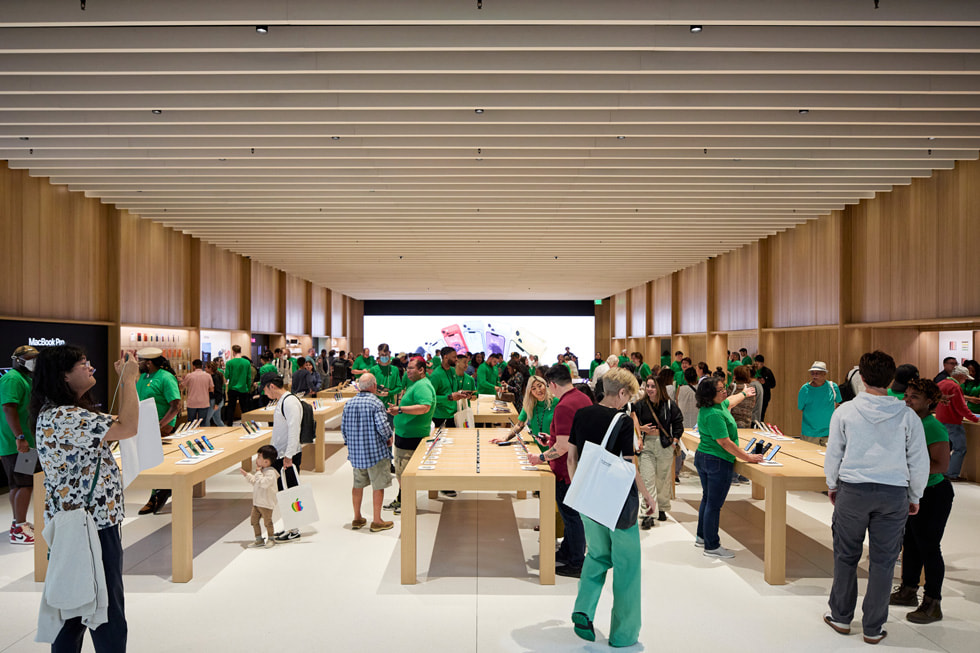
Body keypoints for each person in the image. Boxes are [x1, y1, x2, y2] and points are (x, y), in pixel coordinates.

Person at [31, 345, 139, 651]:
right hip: (90, 526)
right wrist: (129, 380)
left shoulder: (61, 413)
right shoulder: (65, 415)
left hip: (81, 524)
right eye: (82, 363)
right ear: (62, 376)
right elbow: (128, 427)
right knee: (104, 610)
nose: (90, 367)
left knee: (76, 608)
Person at [823, 351, 929, 645]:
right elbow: (918, 460)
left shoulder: (844, 411)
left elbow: (835, 453)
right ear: (891, 379)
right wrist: (915, 494)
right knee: (883, 561)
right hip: (893, 493)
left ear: (863, 378)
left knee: (846, 555)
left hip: (853, 490)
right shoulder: (907, 415)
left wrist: (832, 484)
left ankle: (841, 617)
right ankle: (873, 627)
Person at [566, 368, 651, 647]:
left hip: (588, 499)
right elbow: (628, 466)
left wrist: (581, 490)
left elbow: (571, 459)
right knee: (627, 567)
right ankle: (623, 634)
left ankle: (583, 609)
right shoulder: (623, 421)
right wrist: (647, 494)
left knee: (597, 556)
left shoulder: (582, 414)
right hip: (618, 505)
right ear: (623, 393)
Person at [890, 378, 953, 624]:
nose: (907, 400)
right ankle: (908, 590)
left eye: (914, 397)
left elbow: (941, 464)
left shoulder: (932, 426)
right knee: (911, 543)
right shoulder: (912, 421)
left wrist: (907, 468)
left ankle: (932, 602)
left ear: (929, 401)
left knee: (929, 546)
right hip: (914, 492)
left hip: (934, 493)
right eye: (906, 395)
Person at [527, 364, 592, 578]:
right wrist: (551, 439)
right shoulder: (582, 398)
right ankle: (567, 552)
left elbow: (563, 447)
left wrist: (541, 457)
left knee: (571, 518)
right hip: (580, 465)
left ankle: (576, 562)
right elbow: (569, 438)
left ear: (553, 384)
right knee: (572, 517)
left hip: (566, 471)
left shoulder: (564, 406)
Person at [694, 376, 762, 558]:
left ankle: (702, 536)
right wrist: (748, 457)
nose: (725, 391)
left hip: (705, 458)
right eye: (721, 389)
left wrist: (744, 394)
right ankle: (712, 546)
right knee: (714, 505)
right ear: (710, 394)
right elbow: (725, 443)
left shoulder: (714, 406)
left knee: (707, 500)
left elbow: (730, 400)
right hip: (716, 461)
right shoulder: (715, 414)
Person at [341, 373, 394, 532]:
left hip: (357, 453)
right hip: (375, 452)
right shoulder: (376, 403)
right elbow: (382, 426)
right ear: (373, 386)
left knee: (357, 485)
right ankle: (377, 520)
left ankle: (357, 518)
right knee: (378, 486)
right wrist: (389, 437)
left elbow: (344, 429)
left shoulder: (349, 403)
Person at [632, 375, 684, 527]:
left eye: (653, 386)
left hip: (664, 445)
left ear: (659, 388)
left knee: (662, 479)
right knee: (647, 479)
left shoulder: (669, 405)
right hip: (646, 445)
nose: (649, 389)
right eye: (647, 386)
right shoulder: (640, 405)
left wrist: (674, 442)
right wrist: (641, 429)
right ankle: (647, 513)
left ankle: (662, 507)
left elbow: (678, 423)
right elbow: (632, 422)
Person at [386, 358, 436, 515]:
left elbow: (424, 407)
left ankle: (407, 503)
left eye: (411, 368)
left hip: (412, 436)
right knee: (402, 471)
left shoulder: (423, 386)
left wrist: (400, 410)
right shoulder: (415, 384)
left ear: (421, 370)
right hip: (405, 434)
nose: (407, 371)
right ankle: (402, 499)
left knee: (405, 473)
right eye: (407, 368)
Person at [136, 348, 182, 516]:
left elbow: (176, 406)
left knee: (158, 461)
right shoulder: (142, 377)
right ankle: (160, 491)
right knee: (150, 461)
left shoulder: (165, 377)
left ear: (148, 362)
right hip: (145, 426)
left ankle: (157, 494)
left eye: (140, 361)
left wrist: (161, 424)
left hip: (161, 427)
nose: (138, 364)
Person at [259, 372, 304, 542]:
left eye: (264, 389)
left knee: (290, 492)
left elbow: (294, 430)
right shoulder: (283, 401)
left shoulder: (290, 402)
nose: (264, 393)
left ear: (271, 386)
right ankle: (290, 526)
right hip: (283, 454)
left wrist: (289, 455)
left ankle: (294, 529)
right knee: (285, 492)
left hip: (288, 455)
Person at [1, 345, 39, 545]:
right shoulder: (12, 379)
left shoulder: (26, 378)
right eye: (29, 357)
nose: (33, 360)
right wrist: (20, 436)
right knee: (25, 484)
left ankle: (18, 523)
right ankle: (19, 527)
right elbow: (8, 408)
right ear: (17, 359)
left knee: (18, 484)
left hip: (21, 442)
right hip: (17, 443)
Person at [935, 365, 979, 481]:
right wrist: (975, 419)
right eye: (965, 378)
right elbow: (961, 407)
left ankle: (942, 471)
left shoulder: (941, 384)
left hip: (940, 420)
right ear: (960, 376)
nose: (965, 381)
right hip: (953, 422)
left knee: (946, 447)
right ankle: (952, 474)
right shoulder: (955, 387)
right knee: (960, 448)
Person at [491, 375, 555, 453]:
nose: (538, 390)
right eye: (533, 388)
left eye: (540, 386)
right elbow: (519, 425)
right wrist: (505, 438)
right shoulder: (529, 404)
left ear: (545, 385)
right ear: (530, 391)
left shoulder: (556, 402)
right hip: (537, 449)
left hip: (554, 448)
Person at [240, 444, 280, 548]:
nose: (257, 459)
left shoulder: (271, 473)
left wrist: (258, 473)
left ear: (266, 461)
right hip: (257, 503)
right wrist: (247, 475)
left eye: (259, 457)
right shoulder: (262, 471)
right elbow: (256, 482)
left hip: (266, 503)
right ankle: (258, 539)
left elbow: (263, 483)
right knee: (254, 521)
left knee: (268, 522)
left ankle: (271, 538)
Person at [797, 361, 841, 446]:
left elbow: (837, 403)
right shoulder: (805, 389)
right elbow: (801, 407)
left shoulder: (833, 387)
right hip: (810, 433)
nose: (814, 376)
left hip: (829, 432)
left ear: (824, 374)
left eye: (817, 373)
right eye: (812, 373)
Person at [368, 343, 405, 423]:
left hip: (390, 405)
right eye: (382, 354)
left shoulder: (394, 369)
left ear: (389, 354)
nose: (384, 356)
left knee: (389, 430)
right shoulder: (374, 369)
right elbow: (369, 387)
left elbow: (399, 387)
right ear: (378, 354)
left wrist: (389, 393)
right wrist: (377, 391)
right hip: (375, 404)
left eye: (386, 354)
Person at [223, 344, 252, 424]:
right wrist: (248, 388)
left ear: (233, 352)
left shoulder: (229, 363)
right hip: (244, 388)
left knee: (231, 407)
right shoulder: (247, 362)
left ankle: (230, 424)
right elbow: (249, 377)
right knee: (244, 408)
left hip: (232, 388)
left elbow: (227, 376)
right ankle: (246, 423)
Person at [181, 359, 213, 425]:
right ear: (202, 366)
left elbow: (182, 386)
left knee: (191, 423)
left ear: (194, 366)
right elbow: (211, 389)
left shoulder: (189, 376)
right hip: (204, 402)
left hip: (192, 402)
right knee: (202, 423)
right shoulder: (208, 376)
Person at [753, 354, 777, 421]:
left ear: (762, 364)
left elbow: (773, 384)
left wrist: (765, 383)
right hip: (753, 395)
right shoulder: (752, 371)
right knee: (752, 414)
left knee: (761, 414)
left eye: (758, 364)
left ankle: (759, 427)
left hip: (764, 396)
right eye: (756, 364)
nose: (757, 366)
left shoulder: (767, 371)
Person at [205, 360, 226, 427]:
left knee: (206, 419)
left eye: (206, 367)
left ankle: (207, 433)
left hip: (214, 401)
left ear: (210, 368)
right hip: (218, 401)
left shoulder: (214, 378)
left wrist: (216, 403)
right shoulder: (217, 375)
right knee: (217, 419)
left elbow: (218, 391)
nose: (205, 369)